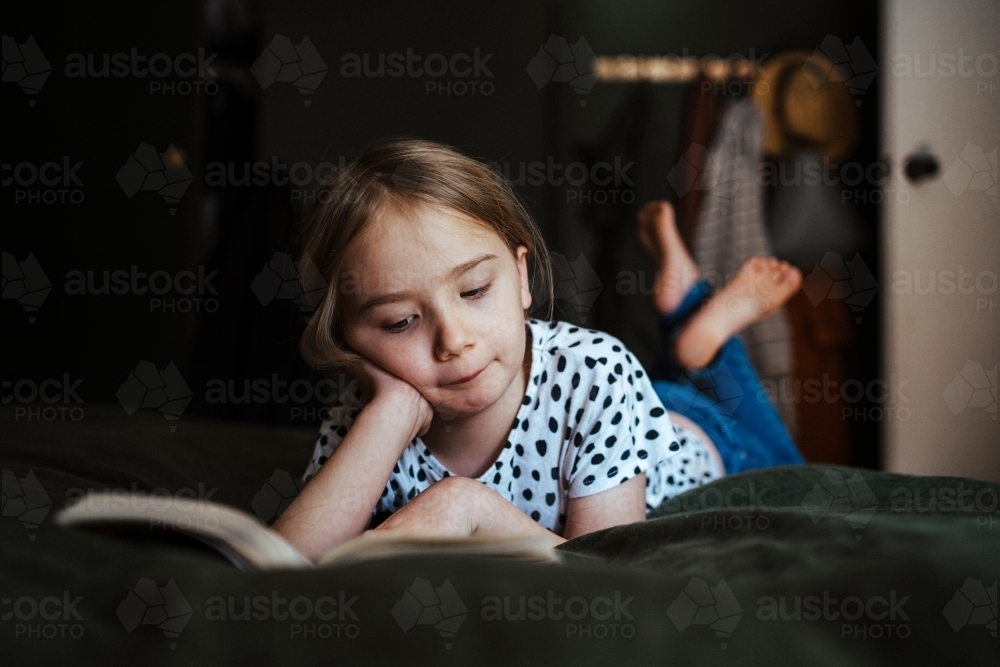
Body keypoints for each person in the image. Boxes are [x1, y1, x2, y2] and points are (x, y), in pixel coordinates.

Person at [272, 139, 804, 561]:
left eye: (475, 291)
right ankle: (689, 321)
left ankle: (701, 332)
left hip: (698, 436)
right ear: (348, 342)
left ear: (521, 277)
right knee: (675, 372)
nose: (455, 340)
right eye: (400, 322)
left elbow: (608, 569)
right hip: (630, 406)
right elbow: (281, 561)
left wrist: (468, 507)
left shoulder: (598, 373)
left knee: (784, 461)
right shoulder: (366, 420)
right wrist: (388, 415)